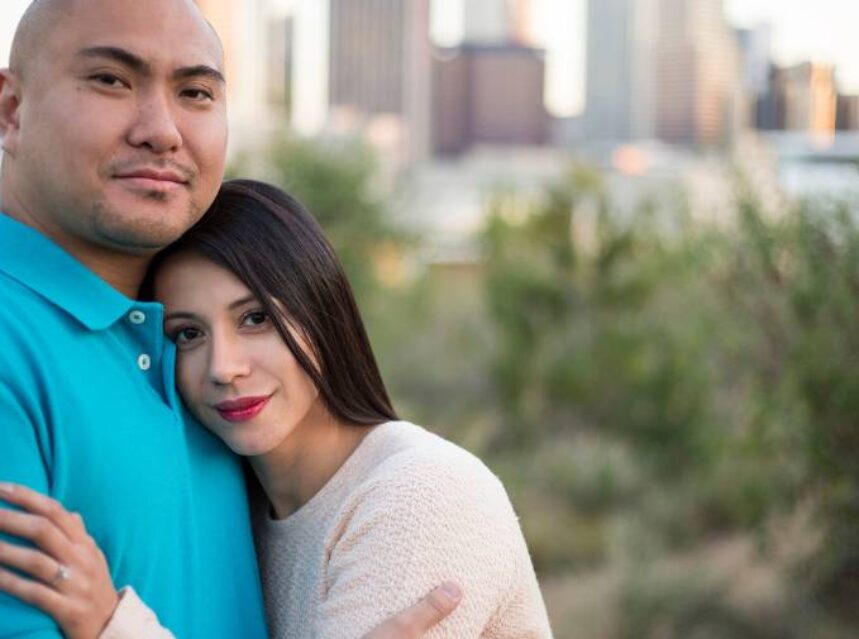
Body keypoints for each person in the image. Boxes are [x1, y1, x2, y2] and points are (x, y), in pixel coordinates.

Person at [0, 0, 456, 637]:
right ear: (11, 110)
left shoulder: (192, 353)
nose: (162, 129)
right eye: (111, 79)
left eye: (195, 91)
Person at [0, 179, 554, 638]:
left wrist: (112, 625)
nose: (224, 366)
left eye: (255, 319)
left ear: (319, 308)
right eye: (188, 334)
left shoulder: (418, 496)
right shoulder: (246, 507)